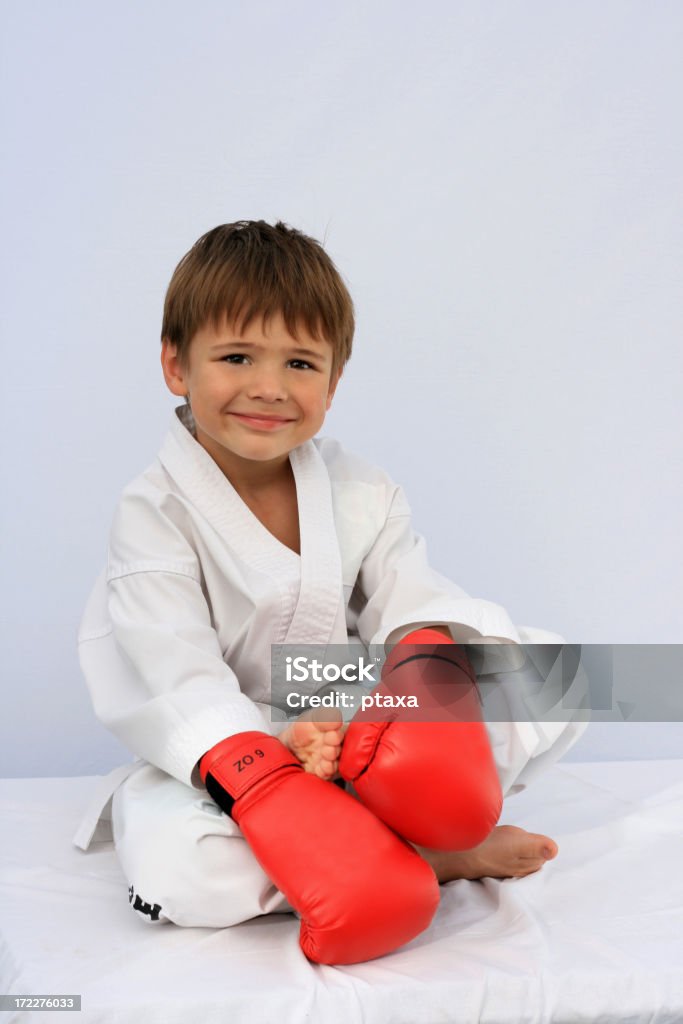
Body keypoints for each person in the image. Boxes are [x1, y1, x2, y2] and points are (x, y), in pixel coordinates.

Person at [75, 220, 587, 964]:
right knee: (182, 871)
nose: (269, 387)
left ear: (334, 381)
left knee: (563, 675)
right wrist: (271, 761)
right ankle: (430, 857)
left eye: (301, 363)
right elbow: (173, 669)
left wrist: (407, 691)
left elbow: (412, 599)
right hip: (235, 750)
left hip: (362, 725)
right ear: (175, 364)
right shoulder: (152, 513)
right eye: (236, 356)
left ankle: (383, 825)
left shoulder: (360, 489)